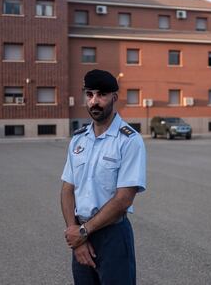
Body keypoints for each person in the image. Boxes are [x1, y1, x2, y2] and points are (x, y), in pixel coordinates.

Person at [61, 69, 147, 285]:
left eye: (101, 95)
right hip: (81, 235)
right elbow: (67, 189)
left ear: (114, 98)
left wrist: (82, 232)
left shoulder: (129, 140)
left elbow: (124, 199)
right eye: (89, 95)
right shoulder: (78, 140)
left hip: (113, 236)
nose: (94, 102)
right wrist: (77, 236)